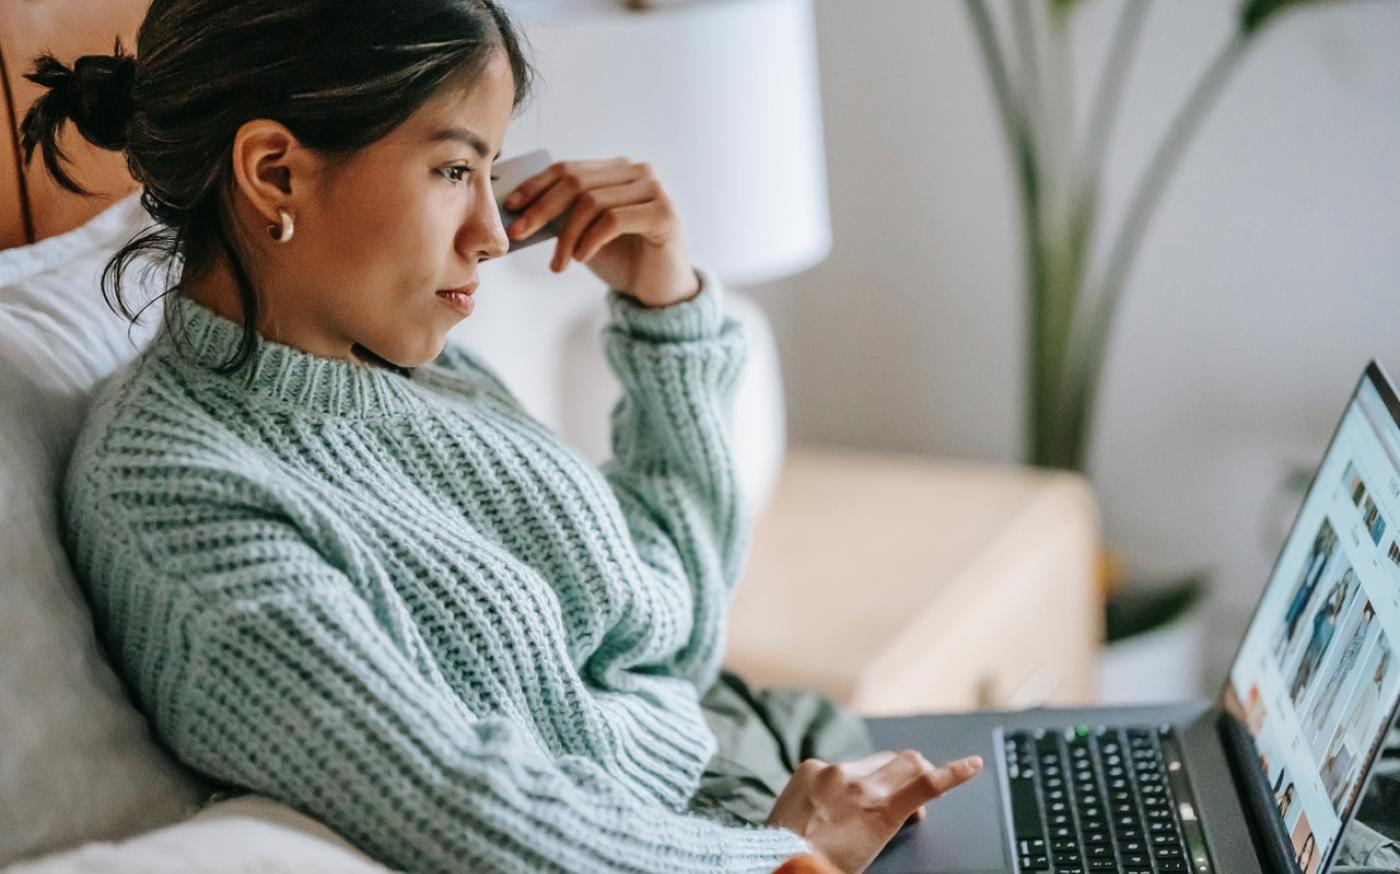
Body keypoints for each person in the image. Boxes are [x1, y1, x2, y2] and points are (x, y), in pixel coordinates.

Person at [21, 2, 982, 873]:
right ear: (274, 171)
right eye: (451, 169)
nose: (489, 230)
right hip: (723, 844)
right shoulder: (172, 490)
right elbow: (453, 801)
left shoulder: (413, 370)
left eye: (489, 169)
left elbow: (667, 635)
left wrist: (667, 312)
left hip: (754, 757)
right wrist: (784, 858)